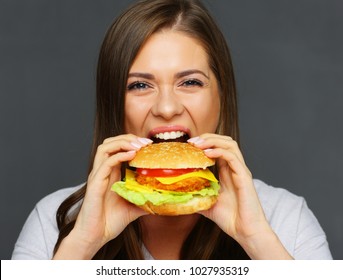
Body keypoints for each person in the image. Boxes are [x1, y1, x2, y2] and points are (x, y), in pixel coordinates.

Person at [11, 0, 332, 260]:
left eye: (190, 82)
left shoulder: (286, 219)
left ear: (223, 95)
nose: (166, 107)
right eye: (139, 85)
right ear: (113, 103)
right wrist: (81, 244)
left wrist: (256, 239)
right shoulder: (55, 220)